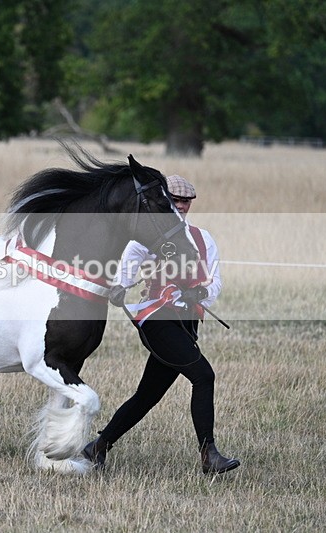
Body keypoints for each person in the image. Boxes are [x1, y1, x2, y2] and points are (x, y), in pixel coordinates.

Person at [83, 174, 240, 474]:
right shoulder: (149, 236)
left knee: (148, 396)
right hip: (157, 318)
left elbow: (215, 282)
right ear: (165, 200)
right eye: (175, 200)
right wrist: (120, 286)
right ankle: (210, 455)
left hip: (187, 323)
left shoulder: (204, 239)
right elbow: (129, 265)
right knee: (203, 376)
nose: (181, 206)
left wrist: (201, 292)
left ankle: (98, 447)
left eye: (186, 201)